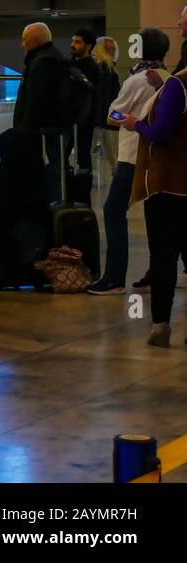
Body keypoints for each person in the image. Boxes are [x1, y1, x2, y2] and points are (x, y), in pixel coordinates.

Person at [89, 28, 168, 295]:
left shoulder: (135, 81)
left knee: (113, 211)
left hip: (133, 156)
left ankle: (114, 277)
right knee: (157, 216)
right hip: (160, 157)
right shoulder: (168, 77)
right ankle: (158, 271)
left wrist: (126, 120)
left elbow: (114, 115)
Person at [121, 54, 187, 348]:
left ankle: (161, 326)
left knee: (163, 259)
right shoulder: (173, 85)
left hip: (168, 188)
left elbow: (161, 134)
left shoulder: (179, 84)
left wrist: (136, 124)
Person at [14, 22, 69, 205]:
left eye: (25, 39)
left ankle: (49, 212)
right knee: (54, 171)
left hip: (43, 132)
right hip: (54, 128)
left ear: (35, 40)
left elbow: (36, 100)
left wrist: (25, 129)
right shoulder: (53, 58)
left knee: (47, 174)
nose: (22, 44)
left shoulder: (42, 63)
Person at [69, 28, 101, 172]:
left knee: (83, 153)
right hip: (69, 117)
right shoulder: (70, 64)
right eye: (73, 41)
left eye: (77, 42)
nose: (73, 45)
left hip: (85, 118)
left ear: (88, 46)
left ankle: (83, 183)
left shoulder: (93, 69)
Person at [92, 36, 122, 181]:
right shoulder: (107, 68)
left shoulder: (104, 67)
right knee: (113, 152)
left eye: (113, 48)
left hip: (104, 116)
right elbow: (109, 96)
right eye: (108, 48)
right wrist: (115, 117)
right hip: (108, 116)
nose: (112, 51)